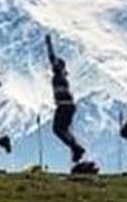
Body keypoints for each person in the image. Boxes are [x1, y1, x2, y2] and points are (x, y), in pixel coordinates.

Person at [45, 35, 86, 163]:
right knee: (63, 130)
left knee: (58, 129)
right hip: (68, 106)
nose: (53, 66)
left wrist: (49, 44)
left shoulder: (58, 74)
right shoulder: (62, 76)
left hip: (64, 106)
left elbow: (52, 58)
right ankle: (76, 149)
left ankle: (76, 148)